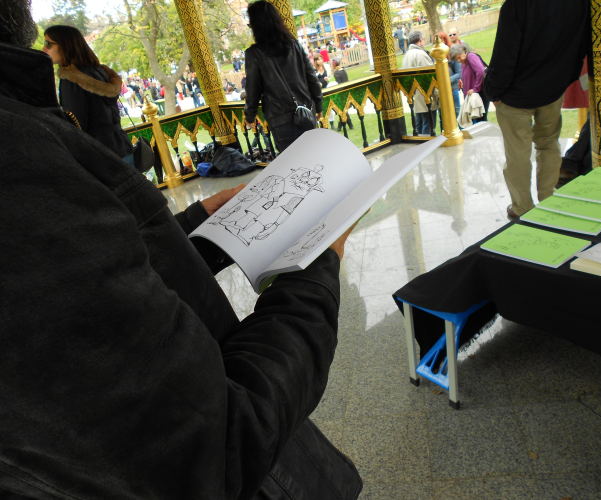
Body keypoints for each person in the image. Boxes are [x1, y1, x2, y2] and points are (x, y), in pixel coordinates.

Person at [0, 1, 363, 498]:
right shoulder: (17, 153)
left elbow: (97, 289)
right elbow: (224, 438)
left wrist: (194, 230)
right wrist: (315, 263)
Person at [483, 0, 589, 220]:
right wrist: (564, 79)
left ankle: (522, 207)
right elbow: (581, 46)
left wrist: (493, 91)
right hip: (552, 88)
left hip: (515, 94)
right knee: (549, 143)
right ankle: (548, 197)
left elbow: (505, 53)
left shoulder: (517, 5)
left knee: (518, 152)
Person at [42, 24, 133, 164]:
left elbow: (76, 126)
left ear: (66, 45)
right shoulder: (100, 71)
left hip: (100, 157)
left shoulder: (72, 79)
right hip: (122, 146)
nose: (44, 49)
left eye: (48, 44)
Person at [244, 0, 322, 152]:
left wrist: (249, 116)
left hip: (280, 120)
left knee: (293, 163)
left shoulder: (254, 54)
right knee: (314, 157)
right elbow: (312, 78)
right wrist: (318, 105)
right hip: (306, 112)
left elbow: (252, 89)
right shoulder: (294, 45)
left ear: (255, 26)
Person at [402, 31, 437, 136]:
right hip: (425, 94)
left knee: (420, 124)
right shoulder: (420, 54)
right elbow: (429, 76)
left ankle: (421, 143)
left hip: (415, 95)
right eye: (423, 39)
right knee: (428, 124)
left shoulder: (407, 55)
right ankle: (427, 144)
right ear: (420, 41)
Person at [449, 42, 488, 123]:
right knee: (477, 122)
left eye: (459, 57)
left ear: (462, 51)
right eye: (456, 59)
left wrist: (475, 89)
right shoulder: (464, 62)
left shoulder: (470, 56)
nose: (459, 60)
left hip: (480, 94)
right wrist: (462, 81)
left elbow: (480, 72)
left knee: (481, 122)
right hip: (473, 96)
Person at [438, 31, 462, 118]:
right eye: (438, 40)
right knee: (443, 114)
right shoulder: (435, 54)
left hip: (453, 88)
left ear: (445, 40)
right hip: (441, 90)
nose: (440, 42)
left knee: (456, 111)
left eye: (442, 39)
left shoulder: (452, 52)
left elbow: (459, 73)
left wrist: (448, 80)